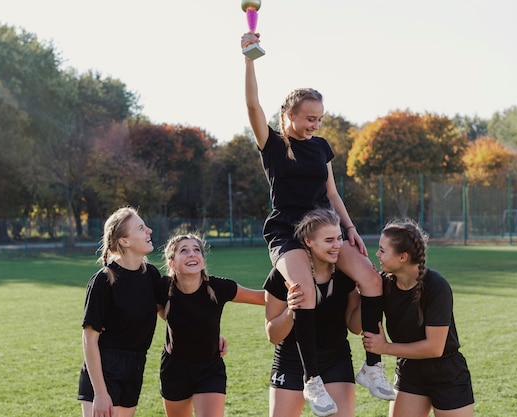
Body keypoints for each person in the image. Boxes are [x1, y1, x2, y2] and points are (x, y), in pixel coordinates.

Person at [241, 30, 394, 416]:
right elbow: (252, 105)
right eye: (309, 118)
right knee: (303, 292)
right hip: (288, 232)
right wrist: (249, 60)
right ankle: (311, 380)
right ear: (289, 115)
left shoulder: (321, 147)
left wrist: (352, 229)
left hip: (327, 227)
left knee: (372, 280)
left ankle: (372, 368)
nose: (314, 124)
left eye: (319, 118)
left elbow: (331, 192)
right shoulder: (274, 145)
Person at [362, 219, 474, 417]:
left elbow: (434, 348)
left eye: (382, 250)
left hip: (447, 374)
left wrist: (385, 348)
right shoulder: (383, 284)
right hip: (410, 371)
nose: (377, 255)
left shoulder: (437, 287)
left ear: (403, 257)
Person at [154, 233, 265, 417]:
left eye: (197, 250)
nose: (192, 254)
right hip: (175, 369)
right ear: (171, 263)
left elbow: (261, 298)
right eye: (184, 250)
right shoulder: (162, 288)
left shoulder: (219, 287)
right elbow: (158, 312)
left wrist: (297, 289)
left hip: (210, 368)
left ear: (202, 260)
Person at [265, 208, 361, 417]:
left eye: (339, 238)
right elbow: (273, 335)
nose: (337, 245)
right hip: (291, 361)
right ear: (308, 241)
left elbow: (355, 327)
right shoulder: (283, 273)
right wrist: (292, 310)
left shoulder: (345, 273)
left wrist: (366, 295)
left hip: (335, 359)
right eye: (329, 240)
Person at [77, 207, 160, 417]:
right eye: (141, 228)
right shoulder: (103, 281)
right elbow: (89, 339)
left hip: (136, 366)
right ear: (124, 241)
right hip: (104, 370)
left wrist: (208, 335)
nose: (149, 230)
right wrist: (101, 393)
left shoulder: (150, 275)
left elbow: (170, 313)